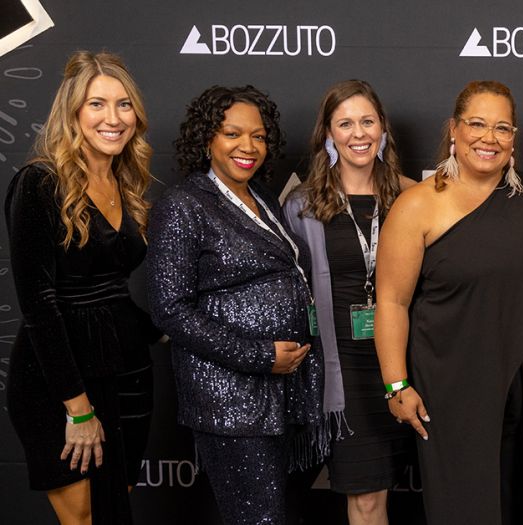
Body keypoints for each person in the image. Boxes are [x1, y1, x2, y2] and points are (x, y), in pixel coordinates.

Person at [374, 80, 523, 525]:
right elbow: (391, 302)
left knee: (520, 500)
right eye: (477, 124)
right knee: (464, 505)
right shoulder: (417, 205)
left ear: (514, 138)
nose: (489, 137)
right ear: (454, 130)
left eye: (502, 127)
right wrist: (396, 385)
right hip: (449, 385)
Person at [146, 85, 323, 525]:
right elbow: (169, 308)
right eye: (232, 134)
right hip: (230, 400)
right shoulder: (183, 204)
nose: (249, 147)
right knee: (258, 517)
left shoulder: (259, 195)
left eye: (259, 136)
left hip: (280, 393)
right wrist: (260, 356)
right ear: (207, 138)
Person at [5, 50, 157, 525]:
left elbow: (112, 291)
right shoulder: (39, 182)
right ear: (72, 113)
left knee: (117, 508)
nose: (113, 119)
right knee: (85, 517)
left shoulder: (125, 181)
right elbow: (39, 304)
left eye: (124, 105)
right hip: (59, 382)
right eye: (97, 104)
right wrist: (78, 410)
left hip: (128, 373)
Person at [283, 79, 416, 525]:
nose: (358, 133)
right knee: (365, 498)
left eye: (367, 121)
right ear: (328, 134)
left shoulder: (412, 197)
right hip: (346, 370)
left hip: (407, 361)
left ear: (382, 129)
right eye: (345, 123)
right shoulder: (304, 205)